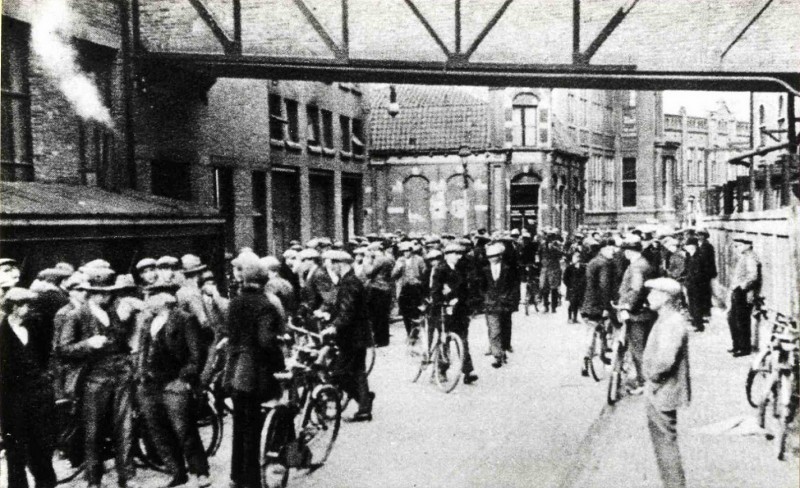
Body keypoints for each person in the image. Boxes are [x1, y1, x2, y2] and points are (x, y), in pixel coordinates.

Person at [57, 268, 139, 488]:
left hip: (120, 376)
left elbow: (122, 342)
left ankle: (126, 478)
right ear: (92, 293)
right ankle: (94, 481)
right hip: (94, 379)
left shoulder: (112, 311)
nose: (107, 297)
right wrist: (88, 344)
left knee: (125, 428)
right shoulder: (76, 315)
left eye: (109, 293)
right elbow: (62, 348)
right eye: (103, 293)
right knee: (93, 431)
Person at [136, 282, 210, 488]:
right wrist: (140, 374)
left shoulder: (184, 319)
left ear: (163, 299)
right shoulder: (148, 321)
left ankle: (200, 471)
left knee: (184, 429)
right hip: (150, 384)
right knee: (158, 429)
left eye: (150, 296)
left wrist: (185, 379)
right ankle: (177, 472)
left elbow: (197, 355)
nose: (147, 301)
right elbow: (142, 350)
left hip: (174, 381)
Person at [224, 252, 285, 488]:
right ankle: (252, 480)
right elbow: (265, 341)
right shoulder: (265, 305)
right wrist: (278, 358)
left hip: (235, 370)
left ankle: (237, 476)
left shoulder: (235, 302)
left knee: (240, 425)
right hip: (256, 373)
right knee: (256, 427)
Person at [0, 287, 58, 488]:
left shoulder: (37, 327)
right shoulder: (2, 334)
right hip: (11, 402)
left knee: (42, 447)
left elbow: (49, 355)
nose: (31, 308)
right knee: (15, 450)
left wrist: (47, 377)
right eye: (26, 305)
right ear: (14, 307)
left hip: (39, 398)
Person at [642, 277, 691, 488]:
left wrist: (653, 379)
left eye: (654, 293)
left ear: (665, 297)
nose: (649, 297)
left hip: (663, 391)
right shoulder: (666, 319)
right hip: (661, 390)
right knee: (662, 444)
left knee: (665, 445)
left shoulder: (671, 322)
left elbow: (665, 360)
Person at [321, 250, 375, 421]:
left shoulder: (349, 283)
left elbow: (348, 309)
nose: (332, 268)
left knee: (339, 373)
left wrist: (334, 326)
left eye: (333, 264)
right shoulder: (349, 281)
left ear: (340, 264)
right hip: (358, 336)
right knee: (358, 371)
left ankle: (363, 400)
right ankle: (364, 407)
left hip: (352, 336)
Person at [431, 243, 478, 385]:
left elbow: (465, 289)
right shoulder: (440, 270)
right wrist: (445, 300)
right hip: (444, 311)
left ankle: (468, 371)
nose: (459, 257)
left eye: (460, 254)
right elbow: (435, 291)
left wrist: (460, 299)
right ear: (447, 255)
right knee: (444, 341)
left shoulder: (461, 269)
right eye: (456, 254)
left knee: (463, 341)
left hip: (460, 311)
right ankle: (440, 371)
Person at [617, 235, 658, 395]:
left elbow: (636, 289)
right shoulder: (643, 263)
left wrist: (627, 306)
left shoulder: (637, 267)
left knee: (638, 349)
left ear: (628, 251)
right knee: (644, 347)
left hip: (637, 314)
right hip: (645, 312)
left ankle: (644, 382)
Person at [580, 240, 615, 376]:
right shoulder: (604, 264)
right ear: (604, 249)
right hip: (599, 304)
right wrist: (606, 306)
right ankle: (598, 354)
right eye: (611, 249)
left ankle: (587, 358)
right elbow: (604, 286)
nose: (613, 251)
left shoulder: (593, 261)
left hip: (589, 302)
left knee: (591, 331)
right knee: (602, 328)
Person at [480, 243, 517, 368]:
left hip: (505, 303)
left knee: (505, 328)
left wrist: (511, 299)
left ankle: (504, 348)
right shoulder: (484, 270)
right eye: (489, 256)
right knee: (494, 329)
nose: (491, 258)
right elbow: (481, 286)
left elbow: (513, 286)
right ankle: (497, 355)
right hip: (490, 304)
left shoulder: (508, 269)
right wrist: (484, 298)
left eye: (494, 256)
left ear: (500, 256)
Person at [727, 238, 761, 357]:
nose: (737, 247)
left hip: (744, 293)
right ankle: (737, 345)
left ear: (748, 245)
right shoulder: (744, 256)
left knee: (742, 320)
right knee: (732, 318)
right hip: (738, 291)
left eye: (739, 245)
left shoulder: (751, 257)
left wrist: (741, 288)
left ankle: (744, 348)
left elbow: (753, 276)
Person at [392, 241, 427, 337]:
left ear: (412, 251)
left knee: (415, 310)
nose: (406, 253)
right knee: (405, 310)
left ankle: (415, 331)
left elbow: (424, 273)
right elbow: (393, 275)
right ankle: (409, 332)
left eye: (408, 251)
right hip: (404, 288)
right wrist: (398, 268)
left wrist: (419, 280)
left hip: (416, 287)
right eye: (404, 251)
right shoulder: (400, 260)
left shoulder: (419, 259)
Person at [363, 242, 394, 347]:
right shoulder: (388, 259)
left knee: (377, 316)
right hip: (386, 288)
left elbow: (369, 272)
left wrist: (367, 262)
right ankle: (383, 339)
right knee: (383, 315)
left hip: (378, 288)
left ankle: (379, 340)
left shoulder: (379, 260)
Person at [563, 252, 587, 324]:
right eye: (576, 257)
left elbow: (585, 277)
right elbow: (565, 278)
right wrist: (569, 286)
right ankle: (569, 317)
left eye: (578, 257)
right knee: (571, 303)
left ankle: (575, 318)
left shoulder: (583, 268)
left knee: (577, 303)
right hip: (572, 288)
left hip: (579, 289)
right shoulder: (569, 268)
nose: (577, 259)